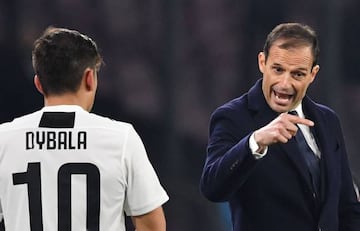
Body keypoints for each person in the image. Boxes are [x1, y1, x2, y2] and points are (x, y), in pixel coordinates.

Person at [0, 26, 169, 231]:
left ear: (38, 84)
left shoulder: (4, 140)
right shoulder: (121, 138)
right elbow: (153, 226)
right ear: (89, 78)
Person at [200, 22, 360, 231]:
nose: (284, 84)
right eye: (278, 69)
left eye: (298, 74)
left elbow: (346, 205)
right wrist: (255, 142)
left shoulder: (328, 120)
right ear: (262, 62)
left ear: (313, 74)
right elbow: (212, 188)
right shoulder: (233, 117)